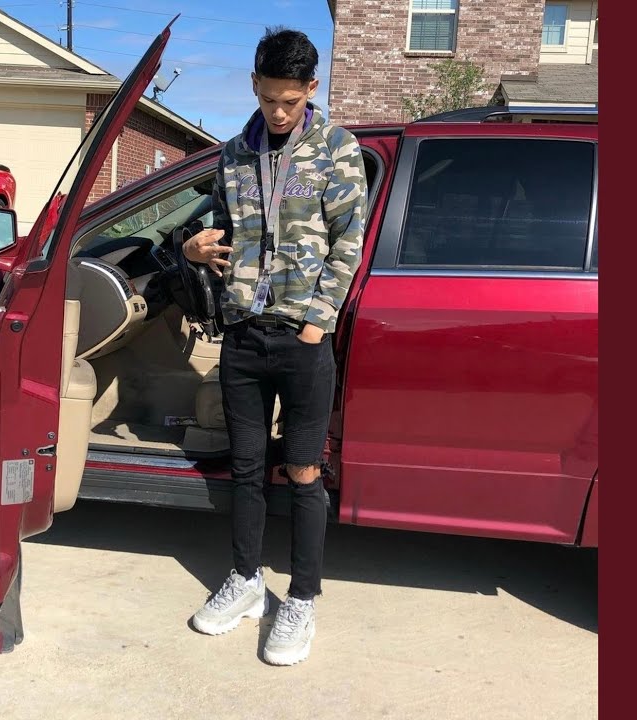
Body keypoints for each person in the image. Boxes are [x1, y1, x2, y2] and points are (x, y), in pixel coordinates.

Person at [184, 26, 367, 666]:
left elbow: (349, 240)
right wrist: (192, 246)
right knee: (245, 467)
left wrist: (318, 321)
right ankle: (246, 582)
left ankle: (303, 599)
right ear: (254, 86)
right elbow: (219, 227)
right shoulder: (234, 153)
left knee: (304, 471)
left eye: (291, 101)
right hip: (243, 334)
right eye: (268, 99)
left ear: (311, 87)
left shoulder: (337, 150)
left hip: (302, 338)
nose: (279, 112)